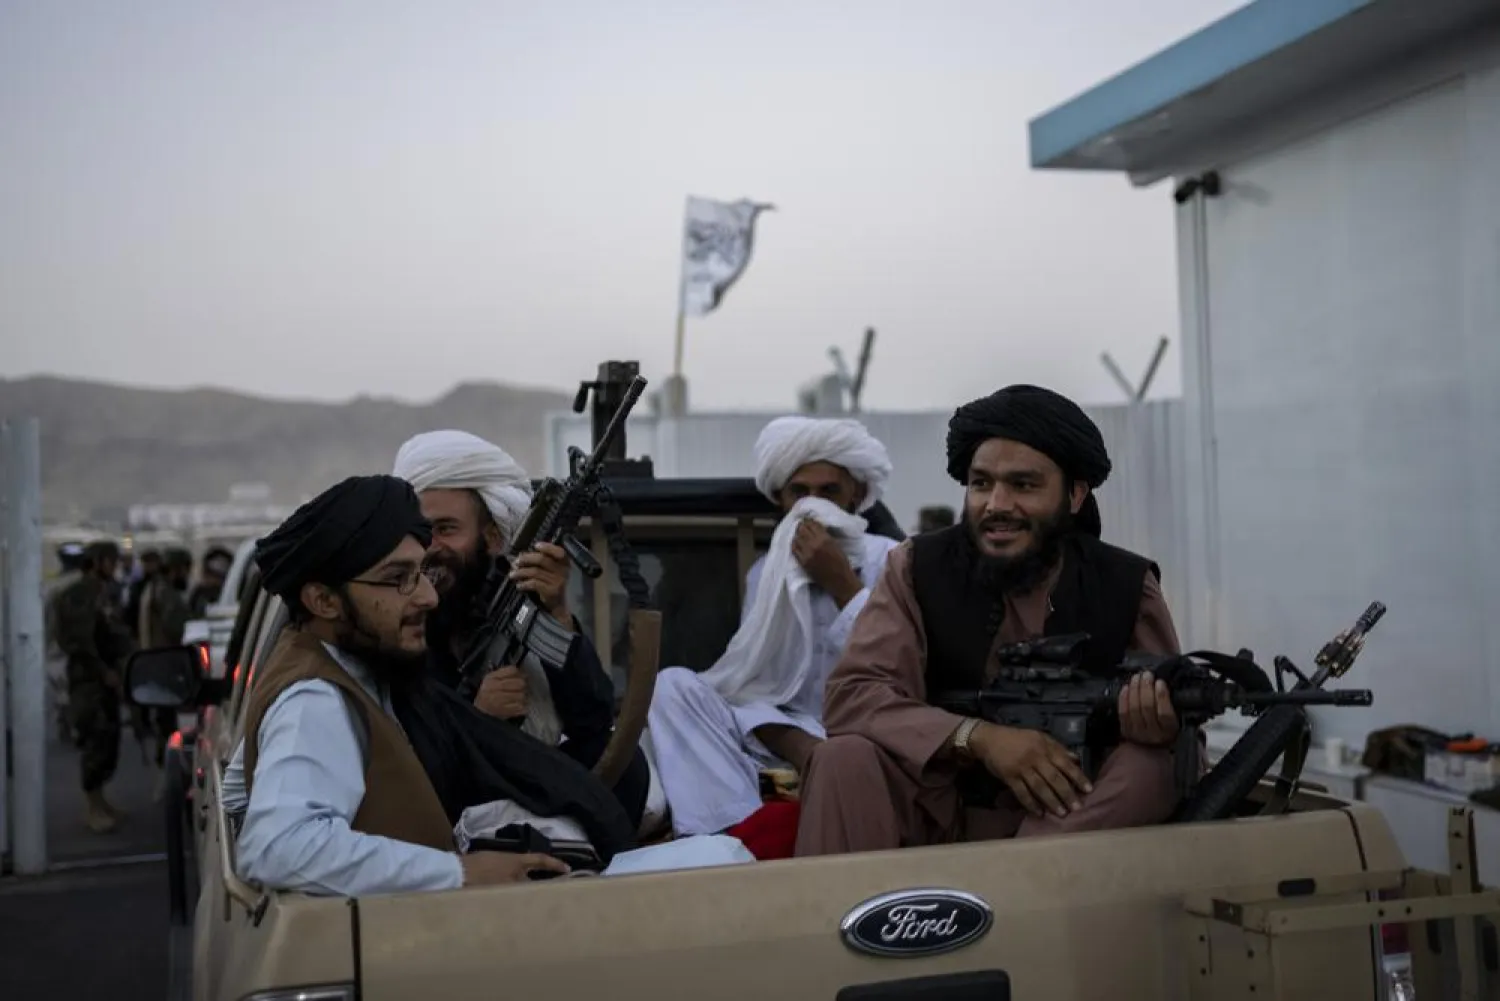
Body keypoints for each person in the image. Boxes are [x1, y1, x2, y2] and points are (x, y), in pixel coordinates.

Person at [795, 385, 1184, 856]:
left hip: (1066, 819)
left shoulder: (1125, 583)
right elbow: (853, 695)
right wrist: (980, 739)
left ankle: (1015, 887)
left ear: (1075, 494)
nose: (996, 505)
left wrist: (1158, 724)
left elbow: (1182, 733)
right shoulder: (918, 568)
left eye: (1023, 485)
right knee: (843, 757)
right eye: (981, 484)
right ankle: (854, 918)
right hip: (933, 809)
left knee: (1149, 768)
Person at [222, 475, 573, 895]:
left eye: (421, 571)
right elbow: (276, 847)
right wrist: (458, 873)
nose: (428, 596)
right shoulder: (315, 699)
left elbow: (238, 793)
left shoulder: (356, 664)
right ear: (324, 601)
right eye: (398, 578)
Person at [646, 416, 898, 844]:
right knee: (671, 687)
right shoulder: (766, 572)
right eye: (800, 493)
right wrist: (795, 745)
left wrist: (843, 585)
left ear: (856, 494)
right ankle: (734, 830)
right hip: (785, 739)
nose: (811, 506)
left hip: (867, 739)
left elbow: (898, 666)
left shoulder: (892, 560)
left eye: (829, 492)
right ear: (781, 498)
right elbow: (752, 680)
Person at [391, 429, 650, 829]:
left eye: (446, 529)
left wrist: (557, 613)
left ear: (493, 537)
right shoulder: (394, 624)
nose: (431, 548)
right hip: (446, 814)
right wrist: (478, 719)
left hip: (532, 796)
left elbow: (593, 719)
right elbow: (399, 760)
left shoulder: (514, 598)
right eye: (422, 533)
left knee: (624, 764)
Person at [50, 540, 134, 833]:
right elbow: (81, 642)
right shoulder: (79, 593)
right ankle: (92, 806)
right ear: (97, 562)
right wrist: (103, 671)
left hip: (106, 675)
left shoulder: (103, 592)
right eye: (110, 561)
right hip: (89, 679)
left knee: (109, 738)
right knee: (94, 739)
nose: (114, 567)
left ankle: (101, 801)